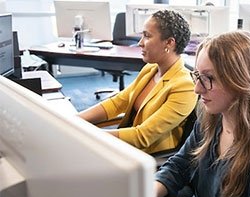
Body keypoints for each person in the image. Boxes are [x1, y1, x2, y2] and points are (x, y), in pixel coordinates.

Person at [155, 30, 250, 197]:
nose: (197, 89)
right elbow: (180, 165)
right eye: (197, 76)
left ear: (241, 80)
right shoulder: (211, 117)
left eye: (209, 78)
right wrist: (143, 195)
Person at [78, 10, 198, 154]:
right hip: (125, 147)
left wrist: (86, 134)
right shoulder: (150, 69)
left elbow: (142, 136)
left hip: (147, 156)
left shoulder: (184, 86)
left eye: (147, 36)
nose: (140, 43)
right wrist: (73, 120)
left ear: (169, 43)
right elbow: (117, 103)